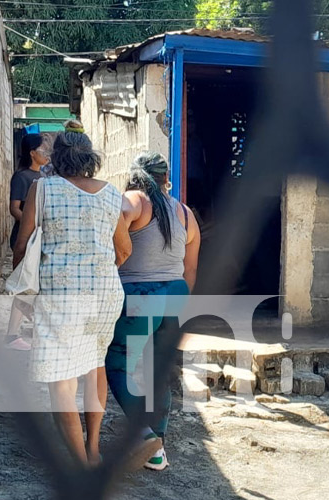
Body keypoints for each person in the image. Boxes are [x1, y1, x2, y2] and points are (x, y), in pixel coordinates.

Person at [13, 130, 131, 466]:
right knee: (95, 367)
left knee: (60, 383)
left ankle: (81, 464)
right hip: (105, 295)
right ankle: (93, 448)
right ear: (90, 158)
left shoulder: (43, 189)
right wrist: (98, 270)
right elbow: (124, 249)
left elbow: (22, 246)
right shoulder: (110, 194)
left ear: (57, 157)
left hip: (60, 297)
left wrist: (25, 282)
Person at [106, 151, 201, 471]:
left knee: (118, 364)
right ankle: (157, 447)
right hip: (174, 294)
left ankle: (146, 435)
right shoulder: (186, 214)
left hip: (139, 295)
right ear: (165, 179)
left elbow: (117, 213)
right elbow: (190, 271)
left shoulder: (133, 199)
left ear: (136, 176)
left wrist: (118, 252)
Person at [5, 133, 50, 351]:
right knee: (25, 285)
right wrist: (32, 223)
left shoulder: (43, 176)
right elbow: (14, 208)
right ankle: (12, 335)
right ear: (32, 153)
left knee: (35, 285)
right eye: (43, 150)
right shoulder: (22, 177)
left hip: (38, 237)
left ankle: (27, 329)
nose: (47, 153)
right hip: (25, 237)